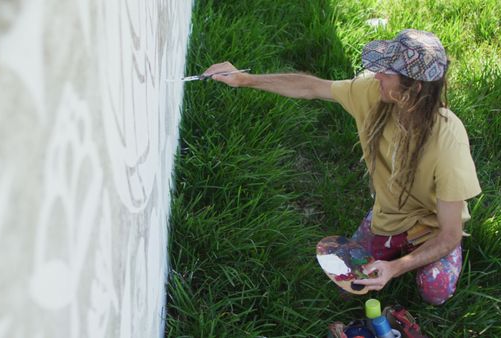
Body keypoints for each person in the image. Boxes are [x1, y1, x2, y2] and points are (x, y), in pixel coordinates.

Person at [203, 29, 481, 305]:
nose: (378, 75)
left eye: (388, 72)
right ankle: (384, 227)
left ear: (415, 88)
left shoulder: (448, 140)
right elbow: (310, 86)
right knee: (348, 278)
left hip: (433, 227)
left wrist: (394, 268)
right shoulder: (372, 93)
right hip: (390, 215)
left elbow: (449, 233)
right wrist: (244, 79)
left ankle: (419, 255)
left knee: (435, 290)